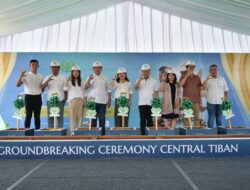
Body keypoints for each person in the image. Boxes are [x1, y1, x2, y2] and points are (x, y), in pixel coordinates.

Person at [84, 61, 111, 135]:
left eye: (98, 68)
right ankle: (93, 134)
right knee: (92, 119)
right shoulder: (90, 77)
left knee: (102, 119)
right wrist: (89, 80)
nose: (97, 70)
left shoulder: (105, 78)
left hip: (102, 101)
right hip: (92, 101)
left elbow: (109, 90)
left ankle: (102, 134)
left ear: (101, 69)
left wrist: (109, 100)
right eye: (95, 68)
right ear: (93, 69)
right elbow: (85, 87)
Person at [16, 59, 43, 129]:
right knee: (28, 116)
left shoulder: (41, 76)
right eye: (32, 64)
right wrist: (21, 75)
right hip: (28, 97)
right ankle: (26, 132)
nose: (34, 66)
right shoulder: (26, 75)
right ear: (30, 66)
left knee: (37, 116)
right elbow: (17, 85)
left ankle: (38, 132)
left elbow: (42, 88)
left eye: (35, 64)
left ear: (38, 66)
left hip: (38, 97)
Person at [134, 64, 159, 135]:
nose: (146, 73)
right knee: (142, 119)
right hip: (141, 103)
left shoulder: (154, 81)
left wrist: (156, 101)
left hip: (151, 103)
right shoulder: (138, 80)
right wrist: (140, 79)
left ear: (150, 72)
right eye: (144, 71)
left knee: (150, 119)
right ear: (141, 72)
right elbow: (135, 88)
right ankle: (142, 133)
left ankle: (150, 133)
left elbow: (156, 92)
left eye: (147, 71)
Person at [202, 64, 229, 128]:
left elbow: (226, 90)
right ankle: (210, 135)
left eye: (215, 69)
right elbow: (203, 88)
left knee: (219, 120)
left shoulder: (222, 79)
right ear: (209, 71)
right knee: (211, 119)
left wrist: (226, 101)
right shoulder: (208, 80)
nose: (213, 71)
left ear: (217, 70)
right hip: (211, 103)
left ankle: (219, 135)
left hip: (220, 103)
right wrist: (206, 79)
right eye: (212, 70)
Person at [42, 60, 67, 128]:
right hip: (50, 100)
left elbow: (65, 90)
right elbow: (41, 89)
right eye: (53, 67)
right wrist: (48, 80)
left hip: (60, 100)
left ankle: (60, 134)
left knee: (60, 118)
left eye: (56, 67)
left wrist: (64, 100)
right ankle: (51, 134)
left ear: (59, 68)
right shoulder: (47, 77)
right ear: (51, 68)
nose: (54, 69)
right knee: (50, 118)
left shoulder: (63, 78)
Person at [64, 65, 86, 135]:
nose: (75, 73)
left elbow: (84, 91)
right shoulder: (69, 81)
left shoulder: (82, 80)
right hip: (72, 101)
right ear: (72, 72)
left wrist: (84, 100)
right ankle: (72, 133)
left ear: (79, 73)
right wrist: (67, 80)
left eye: (77, 72)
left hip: (80, 100)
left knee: (80, 118)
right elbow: (65, 89)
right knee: (72, 119)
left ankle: (79, 133)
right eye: (74, 71)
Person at [179, 60, 202, 127]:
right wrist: (187, 75)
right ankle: (187, 134)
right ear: (187, 68)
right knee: (187, 117)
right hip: (187, 101)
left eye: (193, 67)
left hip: (196, 101)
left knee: (197, 118)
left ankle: (196, 134)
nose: (191, 69)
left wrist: (200, 100)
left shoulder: (197, 77)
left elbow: (199, 89)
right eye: (190, 67)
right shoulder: (183, 76)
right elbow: (180, 84)